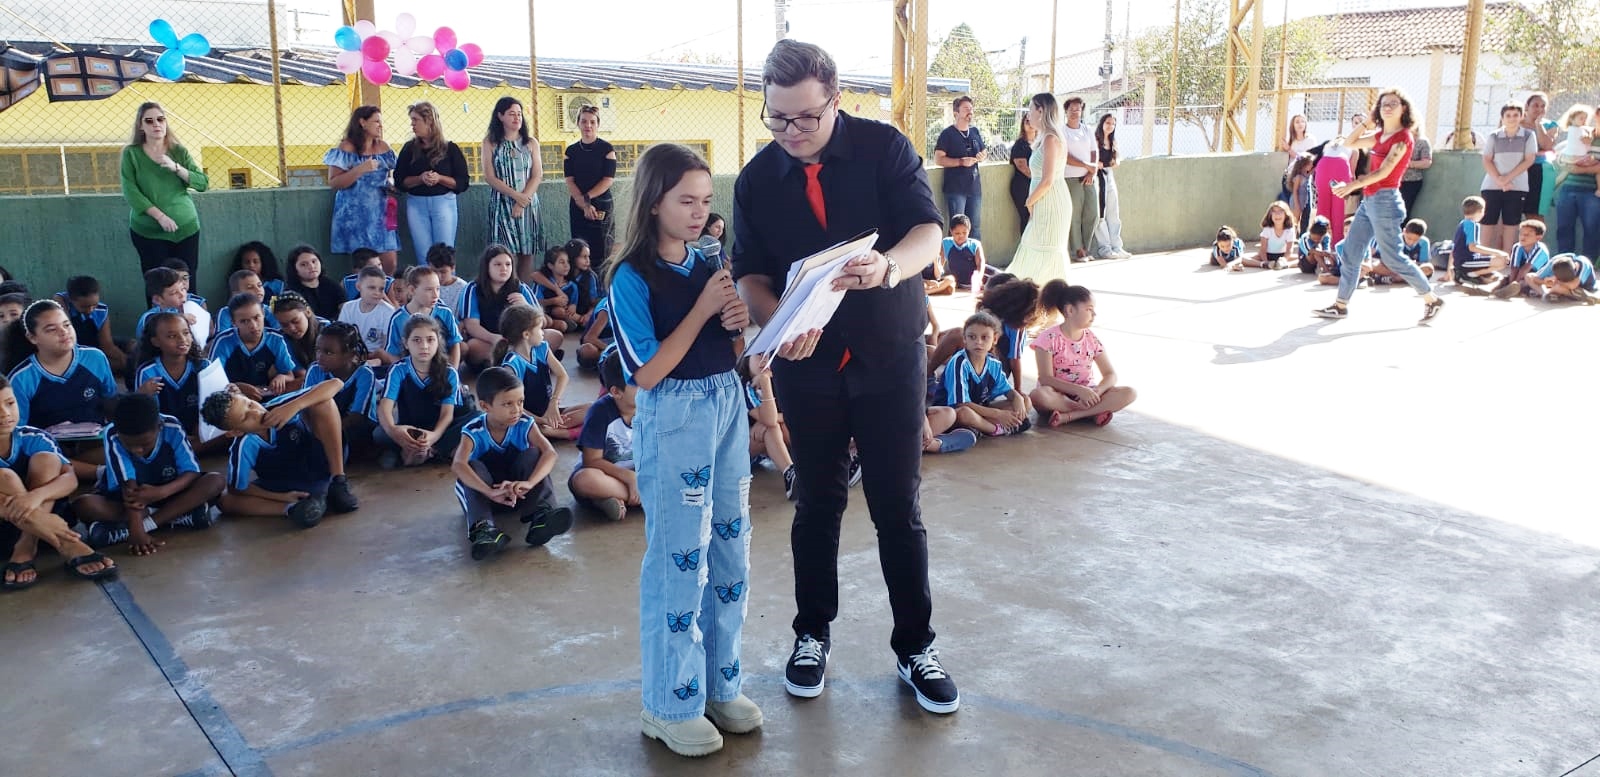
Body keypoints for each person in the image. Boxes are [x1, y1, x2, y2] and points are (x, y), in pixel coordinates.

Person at [731, 39, 957, 716]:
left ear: (836, 100)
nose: (792, 132)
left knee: (896, 505)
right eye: (777, 118)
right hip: (810, 365)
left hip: (889, 355)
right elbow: (750, 274)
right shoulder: (756, 180)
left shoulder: (885, 148)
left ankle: (915, 645)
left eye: (806, 117)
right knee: (817, 501)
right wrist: (777, 324)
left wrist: (889, 266)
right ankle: (811, 634)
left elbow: (927, 232)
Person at [609, 142, 756, 757]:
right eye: (686, 201)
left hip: (726, 404)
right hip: (675, 415)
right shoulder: (629, 277)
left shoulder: (709, 262)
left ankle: (720, 685)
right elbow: (646, 372)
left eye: (706, 200)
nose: (700, 213)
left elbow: (734, 348)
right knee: (679, 556)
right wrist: (702, 310)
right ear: (653, 203)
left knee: (730, 547)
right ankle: (669, 703)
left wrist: (740, 326)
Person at [1313, 89, 1445, 323]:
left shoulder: (1403, 138)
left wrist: (1352, 185)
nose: (1388, 107)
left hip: (1386, 202)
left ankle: (1432, 299)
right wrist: (1367, 122)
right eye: (1384, 104)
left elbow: (1384, 172)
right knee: (1351, 253)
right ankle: (1340, 305)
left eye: (1394, 103)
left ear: (1404, 109)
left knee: (1393, 258)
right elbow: (1350, 142)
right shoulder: (1380, 134)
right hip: (1370, 200)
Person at [0, 373, 117, 590]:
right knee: (5, 477)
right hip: (17, 530)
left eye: (10, 403)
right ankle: (65, 543)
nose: (5, 414)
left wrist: (35, 497)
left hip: (54, 522)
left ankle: (27, 544)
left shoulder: (34, 437)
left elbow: (70, 479)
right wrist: (38, 518)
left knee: (47, 460)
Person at [73, 393, 224, 555]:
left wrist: (141, 525)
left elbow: (191, 472)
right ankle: (179, 516)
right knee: (83, 505)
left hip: (170, 492)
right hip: (127, 499)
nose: (137, 450)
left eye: (145, 444)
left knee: (216, 481)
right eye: (129, 445)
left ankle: (139, 527)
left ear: (159, 426)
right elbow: (129, 488)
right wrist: (136, 526)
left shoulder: (172, 427)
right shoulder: (112, 434)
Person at [452, 366, 573, 560]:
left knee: (533, 454)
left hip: (519, 493)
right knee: (472, 466)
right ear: (485, 406)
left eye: (520, 402)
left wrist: (529, 483)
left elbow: (550, 453)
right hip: (487, 496)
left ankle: (542, 515)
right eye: (508, 404)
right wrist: (489, 491)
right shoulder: (473, 430)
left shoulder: (525, 423)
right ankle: (484, 529)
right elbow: (458, 465)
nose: (517, 410)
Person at [203, 380, 360, 527]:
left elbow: (336, 383)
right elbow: (236, 488)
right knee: (225, 501)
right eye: (245, 417)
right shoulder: (243, 446)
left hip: (323, 463)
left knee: (323, 402)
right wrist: (282, 497)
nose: (256, 412)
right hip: (290, 486)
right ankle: (294, 508)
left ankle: (338, 482)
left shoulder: (278, 407)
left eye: (250, 404)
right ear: (235, 432)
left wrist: (295, 406)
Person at [121, 102, 208, 285]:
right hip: (148, 232)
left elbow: (202, 183)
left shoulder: (179, 151)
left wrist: (176, 167)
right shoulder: (131, 154)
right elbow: (130, 191)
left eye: (160, 119)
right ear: (140, 126)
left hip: (186, 228)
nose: (156, 124)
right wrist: (160, 217)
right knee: (158, 285)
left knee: (186, 285)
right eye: (149, 121)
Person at [1029, 281, 1137, 426]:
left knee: (1129, 393)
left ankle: (1071, 416)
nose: (1094, 314)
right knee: (1038, 396)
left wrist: (1097, 392)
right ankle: (1091, 412)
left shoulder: (1091, 339)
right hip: (1058, 396)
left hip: (1089, 395)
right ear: (1070, 310)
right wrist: (1079, 391)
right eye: (1089, 309)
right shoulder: (1047, 338)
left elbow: (1110, 374)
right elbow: (1045, 379)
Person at [372, 315, 471, 469]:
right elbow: (385, 408)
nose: (424, 346)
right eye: (416, 340)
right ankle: (430, 450)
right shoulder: (398, 370)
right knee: (379, 433)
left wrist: (433, 437)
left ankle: (428, 451)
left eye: (430, 340)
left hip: (441, 428)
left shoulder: (449, 372)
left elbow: (447, 415)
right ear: (406, 343)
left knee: (476, 420)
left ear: (438, 341)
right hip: (411, 429)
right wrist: (394, 431)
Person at [1006, 93, 1073, 285]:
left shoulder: (1051, 139)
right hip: (1042, 201)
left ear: (1041, 111)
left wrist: (1029, 201)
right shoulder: (1044, 138)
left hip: (1051, 201)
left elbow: (1047, 180)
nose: (1028, 114)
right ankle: (1028, 292)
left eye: (1031, 109)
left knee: (1045, 248)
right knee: (1031, 244)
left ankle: (1050, 293)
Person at [325, 106, 399, 275]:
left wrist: (391, 184)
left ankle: (386, 291)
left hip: (381, 212)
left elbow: (389, 175)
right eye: (376, 121)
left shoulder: (383, 147)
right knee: (365, 266)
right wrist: (360, 169)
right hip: (355, 215)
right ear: (362, 122)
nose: (380, 125)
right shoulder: (346, 148)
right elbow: (335, 182)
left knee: (390, 263)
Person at [495, 305, 585, 441]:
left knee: (592, 409)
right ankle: (557, 432)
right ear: (526, 334)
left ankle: (552, 430)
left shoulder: (542, 348)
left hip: (548, 410)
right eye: (539, 328)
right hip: (526, 417)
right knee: (522, 427)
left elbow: (562, 375)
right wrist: (541, 420)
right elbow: (513, 408)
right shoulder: (512, 364)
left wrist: (553, 403)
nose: (543, 332)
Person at [568, 349, 638, 521]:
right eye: (636, 384)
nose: (647, 387)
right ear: (616, 392)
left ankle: (612, 497)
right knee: (584, 480)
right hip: (606, 474)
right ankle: (646, 495)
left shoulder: (652, 408)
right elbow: (591, 461)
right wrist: (629, 477)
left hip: (640, 474)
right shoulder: (599, 412)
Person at [395, 101, 469, 262]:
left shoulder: (450, 149)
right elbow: (400, 181)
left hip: (444, 203)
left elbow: (462, 182)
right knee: (423, 254)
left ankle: (447, 279)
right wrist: (420, 179)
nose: (412, 124)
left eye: (416, 120)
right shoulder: (409, 149)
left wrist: (440, 178)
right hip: (416, 204)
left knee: (445, 253)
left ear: (429, 121)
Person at [936, 311, 1028, 437]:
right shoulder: (959, 362)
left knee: (1025, 401)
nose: (978, 342)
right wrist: (998, 414)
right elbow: (961, 403)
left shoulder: (994, 363)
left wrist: (1017, 397)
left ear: (994, 339)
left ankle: (979, 427)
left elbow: (1007, 390)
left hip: (979, 409)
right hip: (950, 413)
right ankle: (995, 429)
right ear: (964, 339)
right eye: (972, 337)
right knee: (965, 413)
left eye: (984, 337)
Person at [483, 97, 542, 280]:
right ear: (500, 116)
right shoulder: (491, 142)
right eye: (511, 114)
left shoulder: (530, 143)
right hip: (503, 204)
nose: (517, 118)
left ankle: (523, 291)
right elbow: (490, 177)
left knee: (527, 252)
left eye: (519, 114)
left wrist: (523, 201)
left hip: (528, 203)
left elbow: (537, 175)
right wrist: (515, 196)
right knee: (506, 254)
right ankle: (506, 291)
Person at [461, 245, 544, 369]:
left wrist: (526, 306)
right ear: (487, 267)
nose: (504, 268)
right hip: (488, 340)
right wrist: (494, 338)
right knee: (473, 346)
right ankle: (526, 360)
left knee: (554, 336)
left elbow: (542, 322)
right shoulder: (473, 288)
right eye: (497, 264)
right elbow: (471, 326)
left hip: (518, 341)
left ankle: (510, 360)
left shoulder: (520, 287)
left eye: (508, 264)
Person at [208, 293, 299, 399]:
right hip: (233, 397)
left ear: (263, 314)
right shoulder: (223, 341)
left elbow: (290, 375)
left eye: (256, 317)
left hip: (264, 395)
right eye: (244, 321)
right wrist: (238, 387)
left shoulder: (275, 339)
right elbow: (212, 381)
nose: (253, 326)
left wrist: (281, 377)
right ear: (234, 323)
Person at [134, 311, 206, 439]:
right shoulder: (148, 372)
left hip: (200, 429)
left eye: (186, 333)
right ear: (156, 342)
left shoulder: (203, 366)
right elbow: (149, 417)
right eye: (172, 336)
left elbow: (213, 407)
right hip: (164, 432)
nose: (182, 339)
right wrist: (142, 395)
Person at [1480, 102, 1537, 257]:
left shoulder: (1528, 136)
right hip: (1492, 186)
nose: (1512, 118)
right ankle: (1483, 256)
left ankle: (1507, 258)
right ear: (1502, 118)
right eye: (1508, 115)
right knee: (1487, 221)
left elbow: (1529, 159)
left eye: (1515, 115)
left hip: (1517, 187)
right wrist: (1499, 180)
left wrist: (1507, 179)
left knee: (1511, 223)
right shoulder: (1494, 136)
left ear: (1521, 116)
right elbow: (1487, 159)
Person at [303, 321, 377, 442]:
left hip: (352, 429)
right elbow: (305, 407)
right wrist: (313, 431)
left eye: (328, 352)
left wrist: (328, 433)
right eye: (318, 350)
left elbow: (357, 417)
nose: (319, 356)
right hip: (321, 427)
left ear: (350, 355)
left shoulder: (364, 374)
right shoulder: (315, 369)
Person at [384, 265, 464, 370]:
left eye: (438, 289)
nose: (435, 295)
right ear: (412, 290)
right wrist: (405, 373)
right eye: (429, 289)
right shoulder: (398, 318)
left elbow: (455, 344)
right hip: (410, 371)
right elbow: (393, 353)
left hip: (440, 370)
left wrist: (453, 372)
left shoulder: (445, 312)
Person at [565, 105, 618, 260]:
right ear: (578, 123)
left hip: (600, 203)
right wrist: (583, 204)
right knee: (578, 249)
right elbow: (570, 180)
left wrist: (587, 199)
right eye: (584, 121)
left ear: (598, 124)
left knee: (601, 249)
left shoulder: (607, 149)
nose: (588, 125)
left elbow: (608, 180)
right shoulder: (571, 151)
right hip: (578, 205)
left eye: (592, 122)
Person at [933, 95, 986, 238]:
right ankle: (954, 253)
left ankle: (975, 253)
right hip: (956, 189)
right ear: (956, 113)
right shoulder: (947, 134)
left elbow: (984, 151)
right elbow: (938, 158)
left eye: (971, 108)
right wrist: (961, 162)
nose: (970, 111)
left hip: (974, 187)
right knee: (957, 227)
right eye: (966, 108)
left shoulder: (974, 132)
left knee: (975, 227)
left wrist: (982, 156)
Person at [58, 276, 129, 377]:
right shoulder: (63, 309)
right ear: (71, 300)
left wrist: (125, 360)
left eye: (94, 305)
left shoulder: (101, 310)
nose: (90, 310)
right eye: (84, 307)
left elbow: (107, 346)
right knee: (107, 364)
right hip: (78, 350)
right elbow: (58, 298)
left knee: (132, 346)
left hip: (96, 343)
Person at [1554, 108, 1600, 258]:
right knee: (1564, 227)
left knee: (1591, 229)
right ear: (1596, 116)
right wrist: (1566, 162)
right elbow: (1561, 156)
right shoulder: (1582, 133)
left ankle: (1588, 265)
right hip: (1568, 187)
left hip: (1592, 191)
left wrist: (1580, 169)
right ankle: (1563, 263)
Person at [1061, 97, 1099, 261]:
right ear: (1066, 111)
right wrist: (1085, 165)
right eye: (1072, 109)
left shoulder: (1087, 129)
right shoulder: (1062, 131)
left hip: (1088, 177)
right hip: (1071, 177)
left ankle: (1086, 246)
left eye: (1078, 109)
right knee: (1074, 214)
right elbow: (1064, 155)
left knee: (1092, 213)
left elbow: (1094, 151)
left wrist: (1091, 172)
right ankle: (1078, 250)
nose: (1075, 112)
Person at [1092, 113, 1132, 260]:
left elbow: (1116, 161)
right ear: (1102, 123)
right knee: (1100, 213)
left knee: (1113, 212)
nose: (1110, 126)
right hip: (1097, 177)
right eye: (1108, 123)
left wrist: (1113, 162)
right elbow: (1094, 161)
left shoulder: (1113, 141)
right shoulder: (1095, 139)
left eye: (1113, 124)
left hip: (1109, 176)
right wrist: (1098, 164)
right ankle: (1105, 248)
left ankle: (1117, 247)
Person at [338, 266, 397, 361]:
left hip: (375, 356)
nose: (377, 293)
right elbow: (341, 336)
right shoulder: (348, 307)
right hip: (352, 354)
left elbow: (387, 346)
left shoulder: (388, 311)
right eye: (372, 288)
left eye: (381, 289)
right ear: (358, 287)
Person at [1449, 195, 1510, 285]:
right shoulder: (1472, 225)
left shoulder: (1463, 223)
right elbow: (1473, 247)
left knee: (1494, 269)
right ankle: (1468, 275)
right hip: (1466, 261)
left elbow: (1455, 248)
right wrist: (1498, 252)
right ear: (1481, 211)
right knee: (1502, 261)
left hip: (1462, 261)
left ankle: (1468, 274)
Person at [1521, 92, 1561, 221]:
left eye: (1543, 106)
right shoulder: (1516, 123)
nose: (1539, 109)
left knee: (1534, 214)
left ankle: (1535, 234)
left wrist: (1538, 124)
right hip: (1517, 169)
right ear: (1527, 106)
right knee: (1511, 212)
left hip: (1539, 170)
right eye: (1535, 105)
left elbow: (1546, 145)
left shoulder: (1551, 125)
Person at [282, 245, 344, 321]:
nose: (311, 266)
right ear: (294, 269)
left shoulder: (331, 284)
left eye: (314, 261)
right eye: (304, 264)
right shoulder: (291, 292)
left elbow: (344, 309)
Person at [1493, 219, 1552, 299]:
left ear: (1538, 238)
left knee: (1526, 280)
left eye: (1527, 235)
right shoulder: (1517, 246)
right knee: (1504, 279)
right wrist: (1511, 283)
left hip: (1539, 277)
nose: (1523, 237)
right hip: (1522, 275)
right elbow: (1514, 268)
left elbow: (1525, 269)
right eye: (1521, 233)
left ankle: (1515, 290)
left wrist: (1515, 284)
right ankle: (1490, 290)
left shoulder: (1540, 249)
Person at [530, 246, 582, 333]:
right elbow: (535, 302)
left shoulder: (572, 286)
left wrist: (573, 306)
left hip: (562, 315)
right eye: (562, 262)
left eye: (568, 262)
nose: (566, 265)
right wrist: (553, 301)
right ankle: (580, 320)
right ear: (551, 266)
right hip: (543, 312)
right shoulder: (542, 283)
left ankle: (566, 323)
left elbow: (573, 304)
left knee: (562, 323)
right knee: (558, 313)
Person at [1313, 138, 1355, 244]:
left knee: (1322, 207)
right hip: (1341, 167)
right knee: (1339, 208)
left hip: (1323, 166)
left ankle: (1317, 241)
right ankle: (1336, 243)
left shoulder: (1328, 146)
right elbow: (1352, 172)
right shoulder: (1354, 148)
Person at [1372, 219, 1434, 285]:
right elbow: (1385, 258)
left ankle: (1391, 279)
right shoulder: (1395, 239)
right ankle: (1402, 278)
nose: (1411, 242)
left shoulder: (1424, 242)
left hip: (1411, 268)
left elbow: (1423, 262)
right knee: (1373, 265)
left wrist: (1412, 264)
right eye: (1409, 238)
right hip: (1394, 268)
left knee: (1428, 268)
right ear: (1404, 231)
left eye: (1416, 240)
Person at [271, 293, 323, 371]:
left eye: (296, 321)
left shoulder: (327, 330)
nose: (292, 328)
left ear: (308, 312)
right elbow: (300, 374)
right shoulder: (281, 339)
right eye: (284, 325)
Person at [1246, 201, 1298, 271]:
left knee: (1303, 259)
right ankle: (1262, 264)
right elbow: (1263, 250)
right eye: (1274, 212)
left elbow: (1289, 250)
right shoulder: (1267, 229)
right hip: (1267, 255)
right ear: (1270, 215)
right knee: (1242, 259)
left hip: (1282, 256)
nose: (1277, 214)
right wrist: (1266, 261)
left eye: (1280, 211)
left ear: (1286, 214)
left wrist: (1284, 260)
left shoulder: (1290, 230)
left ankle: (1286, 265)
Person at [940, 214, 986, 291]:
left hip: (976, 281)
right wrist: (938, 277)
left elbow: (980, 263)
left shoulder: (975, 244)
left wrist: (979, 278)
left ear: (969, 231)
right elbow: (940, 263)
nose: (961, 236)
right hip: (958, 283)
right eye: (957, 233)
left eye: (964, 233)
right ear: (951, 231)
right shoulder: (946, 243)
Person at [1009, 114, 1037, 231]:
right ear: (1022, 125)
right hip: (1022, 187)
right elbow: (1024, 169)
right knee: (1027, 217)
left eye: (1032, 120)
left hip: (1038, 185)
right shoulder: (1019, 145)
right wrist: (1042, 179)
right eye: (1027, 121)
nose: (1030, 124)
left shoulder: (1042, 143)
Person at [1529, 253, 1596, 301]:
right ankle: (1569, 294)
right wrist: (1545, 281)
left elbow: (1572, 285)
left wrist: (1556, 282)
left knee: (1557, 288)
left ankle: (1581, 294)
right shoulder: (1553, 263)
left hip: (1586, 285)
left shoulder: (1583, 264)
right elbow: (1535, 279)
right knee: (1529, 276)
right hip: (1563, 283)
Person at [427, 244, 472, 317]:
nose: (438, 276)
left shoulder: (463, 288)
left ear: (453, 268)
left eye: (443, 272)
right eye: (434, 271)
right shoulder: (424, 285)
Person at [1400, 125, 1433, 214]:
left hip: (1411, 181)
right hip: (1395, 180)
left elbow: (1427, 162)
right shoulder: (1398, 139)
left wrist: (1407, 164)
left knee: (1404, 210)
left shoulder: (1422, 142)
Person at [1286, 153, 1318, 231]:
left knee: (1301, 221)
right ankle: (1292, 236)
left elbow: (1312, 171)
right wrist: (1297, 205)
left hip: (1303, 201)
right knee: (1295, 222)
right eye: (1310, 164)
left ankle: (1298, 235)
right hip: (1297, 201)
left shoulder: (1306, 175)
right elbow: (1295, 191)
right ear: (1304, 165)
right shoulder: (1298, 177)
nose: (1312, 166)